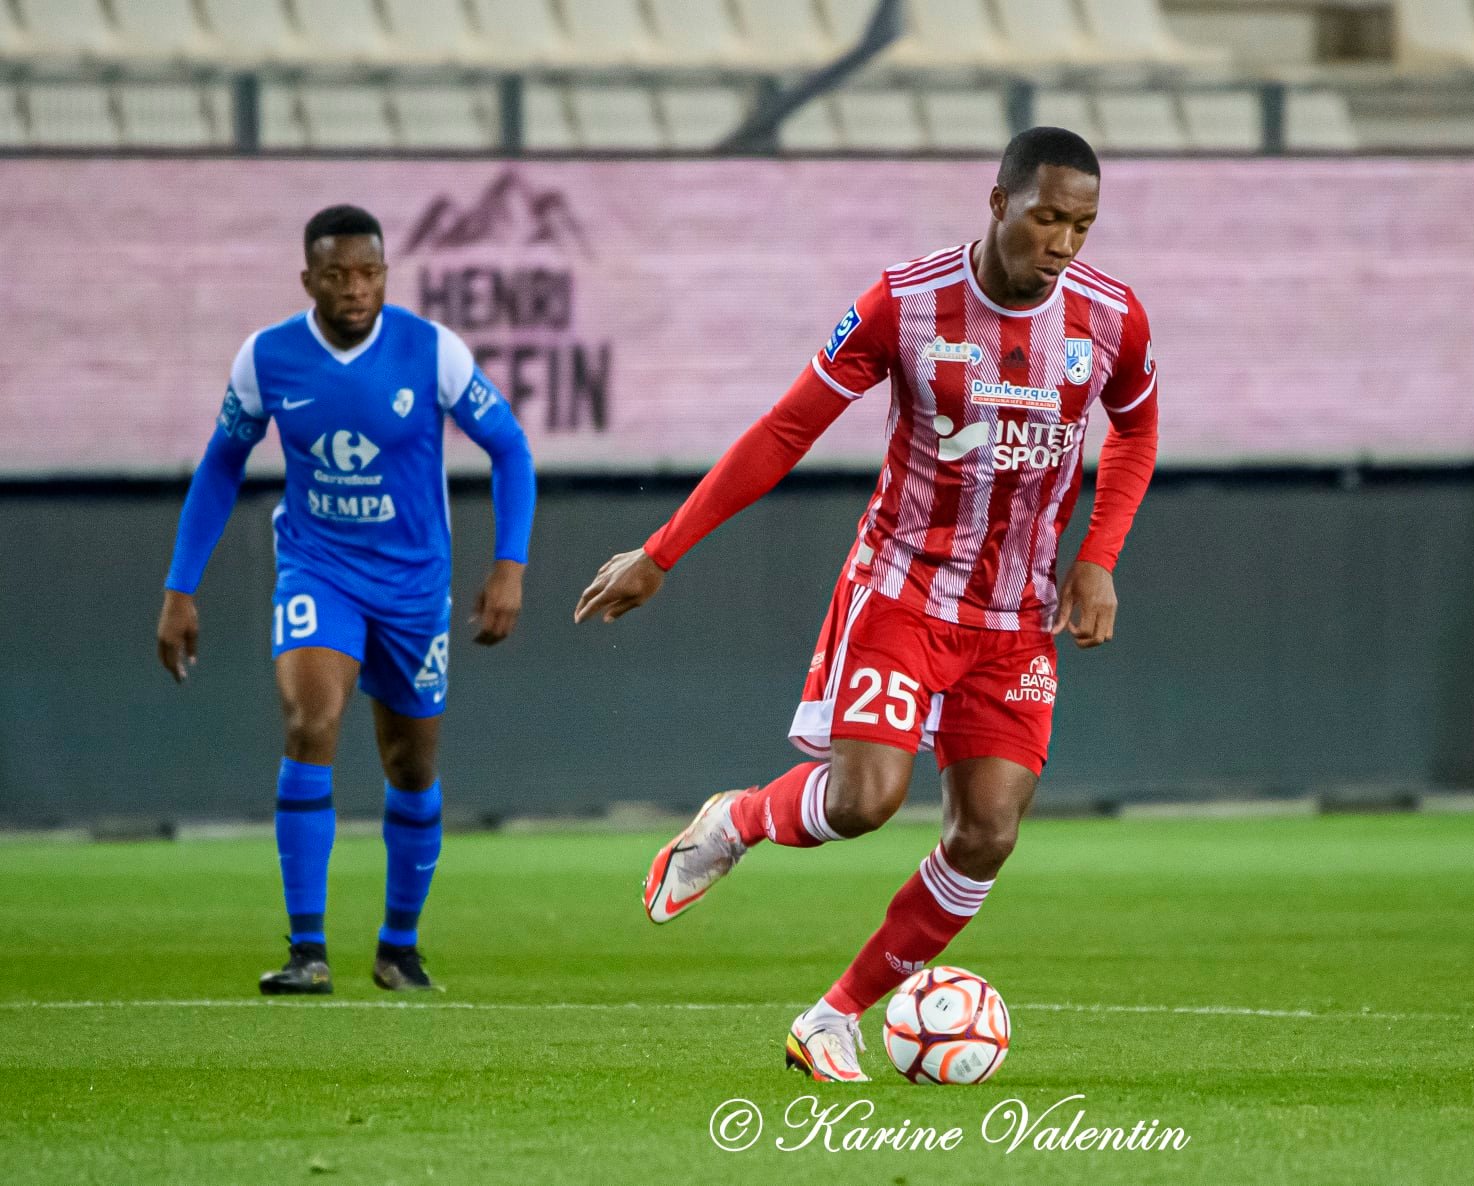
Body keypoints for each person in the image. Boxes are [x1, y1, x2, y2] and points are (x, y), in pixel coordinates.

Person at [575, 127, 1158, 1081]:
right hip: (904, 588)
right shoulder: (907, 302)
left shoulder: (1110, 319)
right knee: (864, 804)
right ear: (998, 202)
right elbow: (786, 428)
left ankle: (833, 1017)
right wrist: (662, 551)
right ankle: (739, 821)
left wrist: (1097, 558)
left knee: (988, 834)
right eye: (1048, 216)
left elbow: (1136, 428)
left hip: (1017, 619)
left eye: (1082, 225)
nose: (1063, 242)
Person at [157, 205, 536, 995]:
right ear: (309, 280)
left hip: (412, 585)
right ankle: (307, 950)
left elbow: (509, 448)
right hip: (317, 569)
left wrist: (510, 565)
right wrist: (180, 587)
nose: (355, 289)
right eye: (337, 275)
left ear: (385, 275)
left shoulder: (431, 352)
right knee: (310, 722)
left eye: (369, 273)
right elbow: (221, 465)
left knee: (410, 762)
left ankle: (398, 948)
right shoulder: (267, 359)